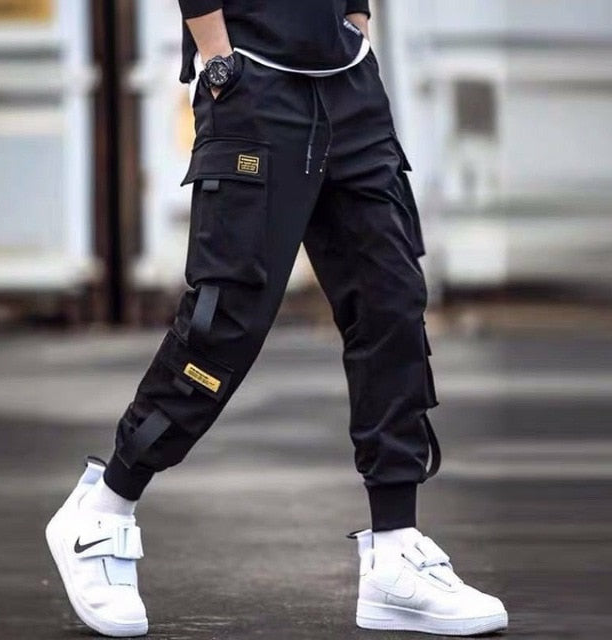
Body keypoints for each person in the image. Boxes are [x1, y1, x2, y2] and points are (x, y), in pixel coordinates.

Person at [45, 1, 508, 636]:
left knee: (392, 303)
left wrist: (355, 18)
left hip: (348, 81)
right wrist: (217, 55)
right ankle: (103, 510)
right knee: (224, 325)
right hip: (252, 79)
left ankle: (396, 550)